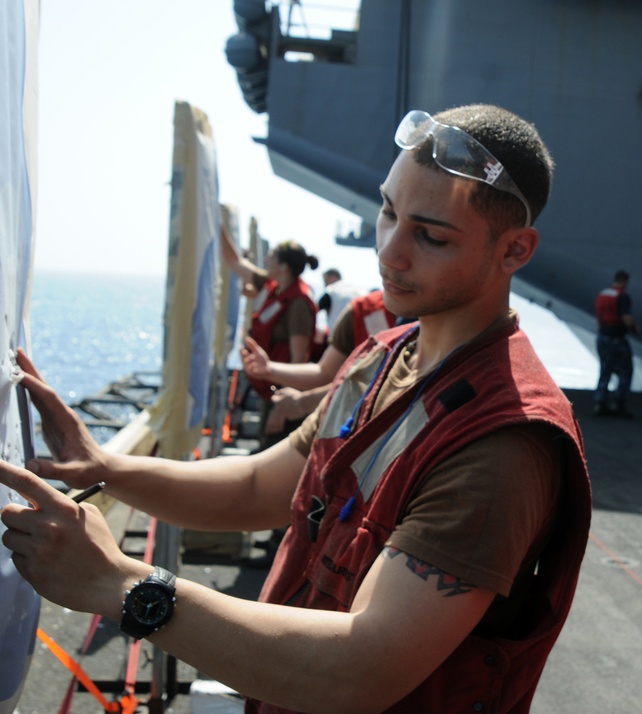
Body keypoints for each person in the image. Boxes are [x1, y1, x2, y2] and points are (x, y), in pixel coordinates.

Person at [0, 103, 592, 714]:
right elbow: (264, 483)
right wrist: (105, 467)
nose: (389, 251)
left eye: (431, 235)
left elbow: (357, 671)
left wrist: (119, 582)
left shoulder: (501, 447)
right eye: (388, 211)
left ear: (515, 250)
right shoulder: (381, 358)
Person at [245, 289, 398, 436]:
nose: (394, 263)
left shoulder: (418, 324)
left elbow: (384, 386)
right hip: (362, 437)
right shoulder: (360, 311)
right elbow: (325, 373)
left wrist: (303, 403)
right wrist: (269, 369)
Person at [221, 232, 320, 447]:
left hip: (280, 395)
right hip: (268, 389)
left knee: (274, 448)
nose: (266, 260)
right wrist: (218, 227)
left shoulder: (298, 304)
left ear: (284, 267)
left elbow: (298, 360)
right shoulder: (274, 288)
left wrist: (282, 408)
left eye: (271, 257)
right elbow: (236, 263)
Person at [593, 269, 639, 417]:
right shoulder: (622, 297)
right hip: (616, 339)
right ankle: (619, 403)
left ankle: (600, 403)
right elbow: (627, 319)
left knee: (605, 369)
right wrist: (635, 328)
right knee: (626, 371)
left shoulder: (603, 294)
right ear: (625, 281)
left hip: (602, 337)